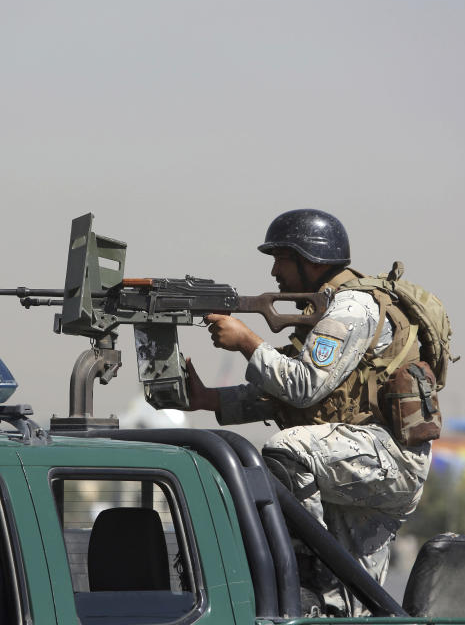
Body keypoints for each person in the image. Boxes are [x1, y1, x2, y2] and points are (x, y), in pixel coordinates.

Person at [185, 209, 432, 616]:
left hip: (387, 457)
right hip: (355, 457)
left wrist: (247, 342)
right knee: (354, 604)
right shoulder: (325, 309)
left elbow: (302, 386)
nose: (275, 271)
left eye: (281, 258)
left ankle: (302, 567)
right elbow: (288, 395)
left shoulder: (352, 309)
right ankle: (317, 591)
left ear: (310, 259)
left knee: (286, 449)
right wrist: (209, 399)